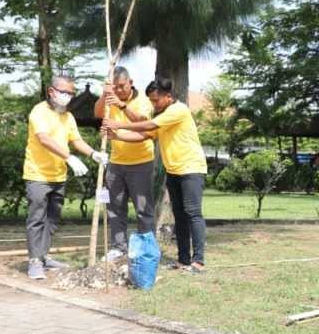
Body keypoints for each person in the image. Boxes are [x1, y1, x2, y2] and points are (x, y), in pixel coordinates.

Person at [103, 77, 208, 274]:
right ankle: (183, 259)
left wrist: (119, 125)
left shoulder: (178, 110)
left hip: (191, 168)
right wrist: (116, 136)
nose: (153, 104)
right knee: (179, 215)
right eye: (150, 100)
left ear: (168, 97)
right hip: (174, 170)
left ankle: (199, 261)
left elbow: (148, 126)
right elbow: (145, 135)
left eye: (156, 100)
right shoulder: (164, 112)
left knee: (192, 213)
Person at [24, 75, 108, 279]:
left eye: (71, 93)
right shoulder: (39, 111)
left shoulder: (68, 117)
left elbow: (76, 140)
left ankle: (43, 256)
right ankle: (34, 261)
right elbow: (43, 138)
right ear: (52, 91)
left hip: (58, 175)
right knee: (37, 218)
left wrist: (93, 154)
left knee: (52, 218)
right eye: (64, 92)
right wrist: (69, 157)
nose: (68, 97)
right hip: (38, 174)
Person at [93, 66, 155, 262]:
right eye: (115, 87)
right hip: (116, 163)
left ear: (131, 82)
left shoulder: (143, 101)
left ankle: (146, 248)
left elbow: (143, 124)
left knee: (143, 208)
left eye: (122, 86)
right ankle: (119, 247)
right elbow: (97, 113)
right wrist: (105, 95)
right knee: (115, 207)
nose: (119, 90)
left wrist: (121, 105)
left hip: (141, 162)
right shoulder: (110, 98)